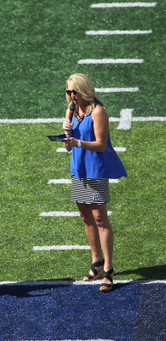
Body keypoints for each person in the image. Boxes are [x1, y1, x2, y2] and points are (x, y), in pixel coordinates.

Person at [62, 73, 127, 292]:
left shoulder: (98, 112)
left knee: (100, 218)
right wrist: (67, 139)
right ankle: (97, 261)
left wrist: (77, 141)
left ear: (84, 90)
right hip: (78, 168)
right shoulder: (71, 112)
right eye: (69, 92)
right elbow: (70, 147)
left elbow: (100, 144)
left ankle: (108, 269)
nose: (72, 96)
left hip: (95, 170)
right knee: (85, 217)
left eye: (75, 92)